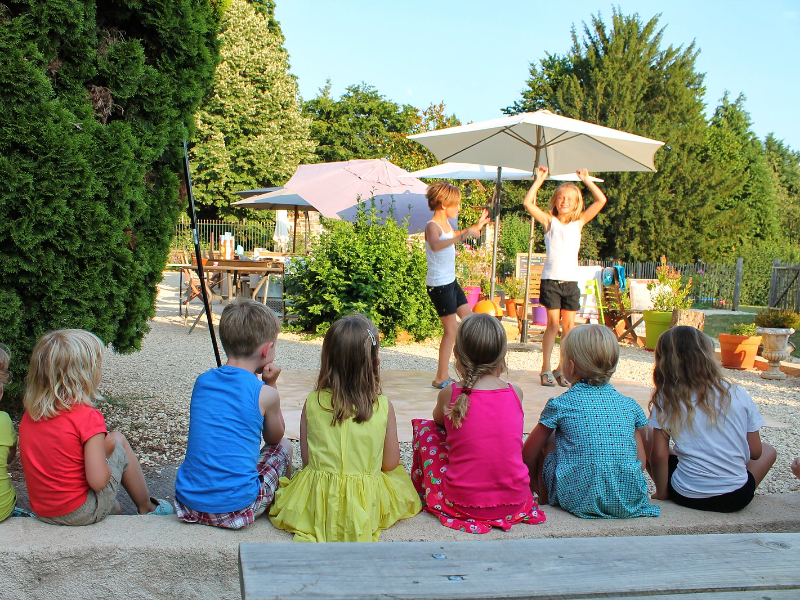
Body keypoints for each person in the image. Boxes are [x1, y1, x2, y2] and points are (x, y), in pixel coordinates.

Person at [270, 314, 420, 541]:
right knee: (398, 477)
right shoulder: (382, 407)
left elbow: (309, 461)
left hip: (319, 499)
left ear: (327, 361)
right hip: (364, 499)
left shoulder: (313, 402)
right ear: (374, 362)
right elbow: (389, 463)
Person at [19, 329, 173, 525]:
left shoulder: (30, 415)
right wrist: (106, 451)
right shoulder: (87, 417)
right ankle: (146, 507)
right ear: (85, 375)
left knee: (114, 505)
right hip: (77, 512)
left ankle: (111, 509)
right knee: (118, 440)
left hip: (44, 510)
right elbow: (98, 481)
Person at [411, 313, 546, 533]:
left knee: (427, 430)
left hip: (463, 504)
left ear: (456, 354)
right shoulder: (515, 393)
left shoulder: (450, 394)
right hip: (516, 502)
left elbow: (438, 422)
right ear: (503, 356)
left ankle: (424, 495)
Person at [175, 298, 292, 529]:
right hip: (235, 509)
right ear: (266, 350)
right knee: (285, 447)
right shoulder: (265, 394)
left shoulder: (203, 382)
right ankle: (282, 502)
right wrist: (271, 385)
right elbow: (275, 438)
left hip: (188, 504)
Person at [522, 324, 659, 519]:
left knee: (550, 435)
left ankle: (544, 498)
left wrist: (532, 484)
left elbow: (527, 454)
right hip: (628, 499)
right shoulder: (629, 405)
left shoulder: (561, 404)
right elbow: (641, 462)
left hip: (574, 498)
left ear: (570, 367)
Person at [649, 326, 776, 512]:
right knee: (769, 450)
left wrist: (661, 492)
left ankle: (665, 491)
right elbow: (755, 452)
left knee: (647, 435)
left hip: (685, 494)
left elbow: (659, 454)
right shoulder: (737, 393)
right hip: (736, 498)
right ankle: (729, 480)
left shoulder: (666, 398)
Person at [522, 166, 607, 387]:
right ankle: (545, 368)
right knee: (552, 325)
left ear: (577, 202)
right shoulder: (550, 222)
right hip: (551, 280)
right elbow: (528, 203)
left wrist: (587, 180)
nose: (564, 201)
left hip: (570, 281)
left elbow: (601, 200)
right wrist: (539, 180)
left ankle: (563, 368)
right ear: (555, 201)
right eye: (560, 198)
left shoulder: (579, 224)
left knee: (569, 327)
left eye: (569, 198)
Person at [425, 181, 491, 389]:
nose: (459, 207)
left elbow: (453, 235)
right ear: (444, 204)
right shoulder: (432, 226)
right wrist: (464, 235)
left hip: (450, 282)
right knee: (451, 330)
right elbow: (436, 245)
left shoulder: (447, 226)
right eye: (456, 204)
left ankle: (474, 368)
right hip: (439, 286)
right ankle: (440, 377)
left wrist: (476, 227)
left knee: (470, 321)